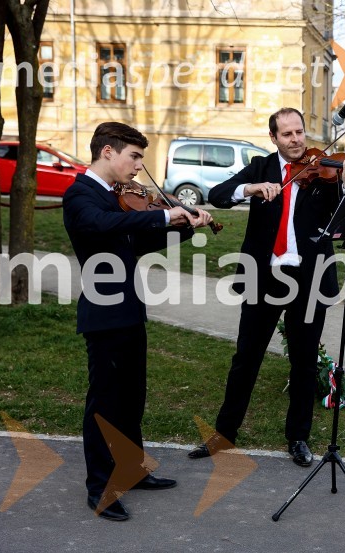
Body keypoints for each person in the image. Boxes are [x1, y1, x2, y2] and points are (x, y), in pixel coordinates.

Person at [188, 107, 345, 467]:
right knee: (245, 359)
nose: (297, 140)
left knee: (303, 362)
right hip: (264, 279)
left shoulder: (325, 171)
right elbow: (219, 194)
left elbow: (341, 216)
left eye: (299, 131)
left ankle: (298, 437)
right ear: (274, 139)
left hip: (309, 279)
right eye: (287, 135)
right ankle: (224, 435)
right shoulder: (261, 168)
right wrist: (249, 188)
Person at [63, 122, 213, 521]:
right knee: (104, 404)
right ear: (108, 152)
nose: (138, 167)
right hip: (103, 313)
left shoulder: (118, 198)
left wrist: (182, 226)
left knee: (132, 398)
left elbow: (137, 240)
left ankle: (131, 468)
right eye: (134, 157)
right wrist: (162, 218)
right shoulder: (80, 195)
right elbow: (101, 226)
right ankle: (99, 488)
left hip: (129, 309)